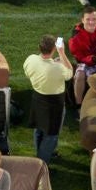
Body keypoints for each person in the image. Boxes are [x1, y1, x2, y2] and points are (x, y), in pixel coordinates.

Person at [23, 35, 72, 163]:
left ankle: (42, 154)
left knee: (39, 128)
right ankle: (41, 164)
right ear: (54, 49)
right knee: (51, 135)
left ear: (39, 47)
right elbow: (69, 72)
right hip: (55, 104)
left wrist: (54, 63)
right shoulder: (58, 68)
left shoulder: (30, 59)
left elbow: (29, 73)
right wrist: (62, 54)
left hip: (37, 99)